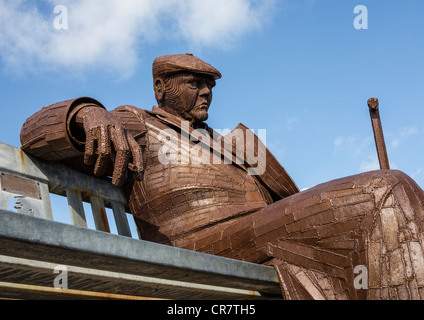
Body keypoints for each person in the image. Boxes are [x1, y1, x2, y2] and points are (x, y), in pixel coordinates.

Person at [20, 53, 424, 300]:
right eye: (194, 82)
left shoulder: (234, 142)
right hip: (197, 244)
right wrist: (85, 112)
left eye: (210, 84)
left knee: (383, 204)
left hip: (259, 232)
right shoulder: (137, 120)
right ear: (161, 87)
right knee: (384, 191)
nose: (207, 91)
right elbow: (35, 132)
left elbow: (296, 200)